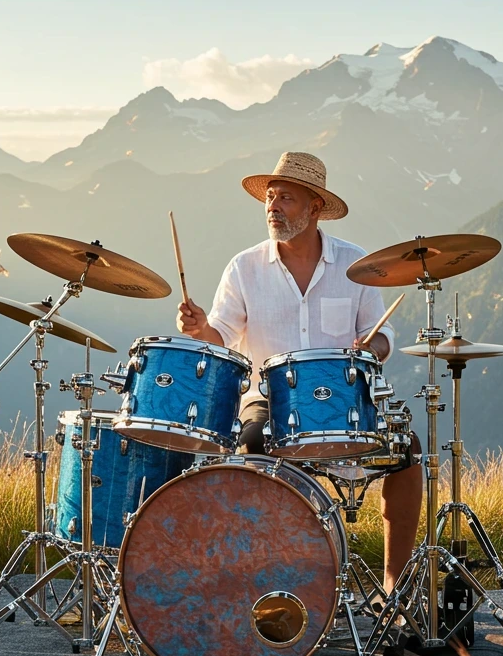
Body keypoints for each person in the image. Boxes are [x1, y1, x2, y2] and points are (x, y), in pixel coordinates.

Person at [176, 151, 422, 593]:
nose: (272, 207)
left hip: (346, 401)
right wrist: (200, 329)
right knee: (250, 447)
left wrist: (373, 347)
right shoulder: (244, 267)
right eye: (269, 198)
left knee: (408, 450)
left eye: (285, 198)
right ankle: (268, 583)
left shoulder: (356, 264)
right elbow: (222, 337)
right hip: (266, 402)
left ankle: (394, 583)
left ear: (314, 207)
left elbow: (381, 337)